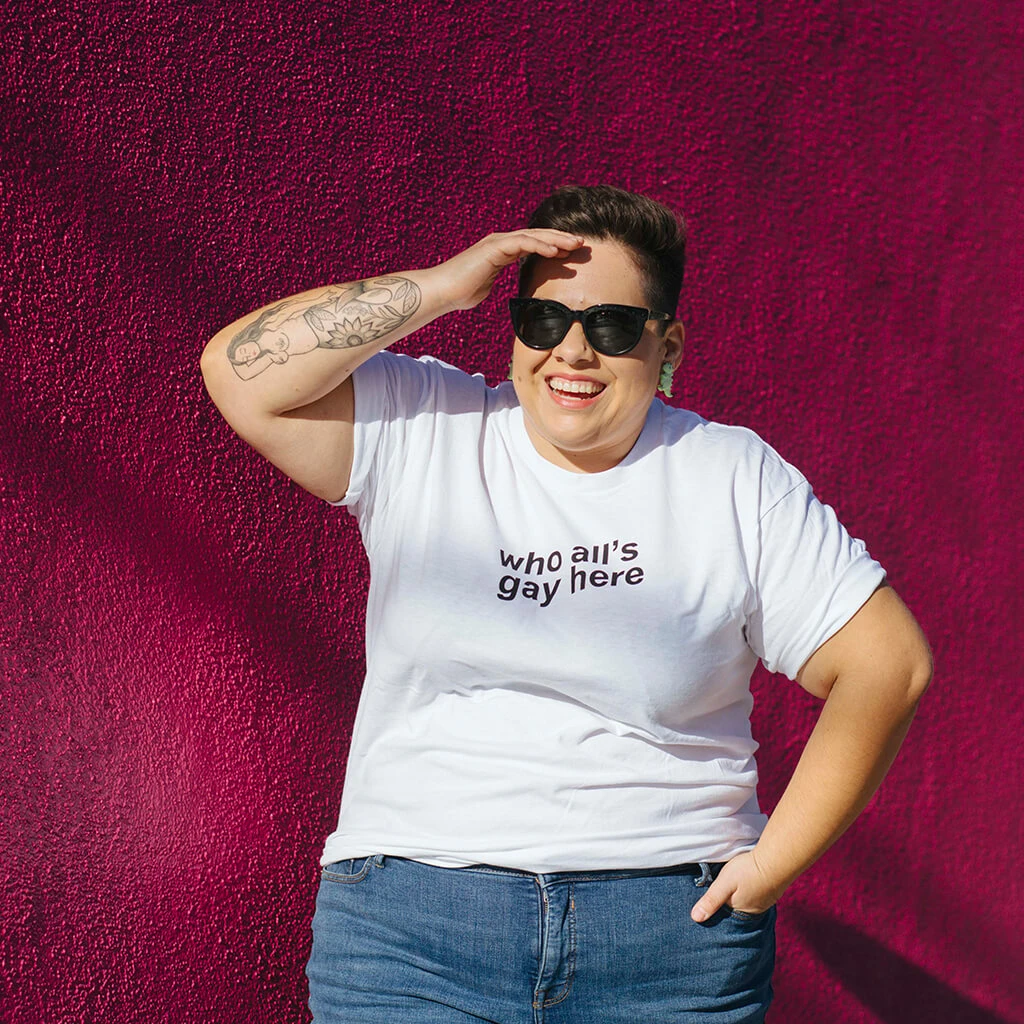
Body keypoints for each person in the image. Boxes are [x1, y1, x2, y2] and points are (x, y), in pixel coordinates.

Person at [200, 185, 932, 1023]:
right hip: (412, 932)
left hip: (663, 945)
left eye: (611, 326)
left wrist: (769, 870)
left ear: (667, 344)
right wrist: (440, 287)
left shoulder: (729, 476)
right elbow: (239, 374)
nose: (572, 351)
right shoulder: (430, 425)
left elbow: (888, 666)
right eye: (543, 320)